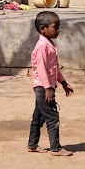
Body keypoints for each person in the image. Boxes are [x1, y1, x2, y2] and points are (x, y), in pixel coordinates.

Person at [28, 9, 74, 155]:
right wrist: (48, 88)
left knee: (39, 116)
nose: (58, 30)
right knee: (52, 116)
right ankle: (56, 148)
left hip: (46, 86)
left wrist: (63, 82)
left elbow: (54, 68)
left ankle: (32, 145)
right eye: (55, 27)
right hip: (43, 87)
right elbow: (41, 69)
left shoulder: (49, 44)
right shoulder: (42, 47)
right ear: (43, 29)